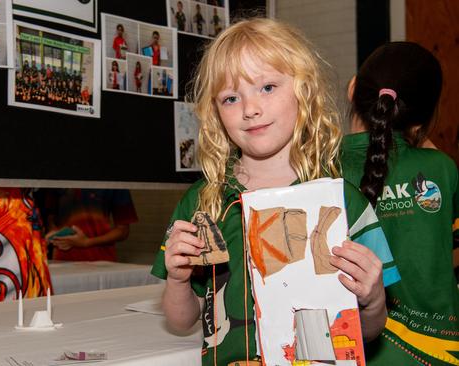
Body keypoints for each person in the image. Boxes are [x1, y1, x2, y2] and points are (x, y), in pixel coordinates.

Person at [151, 18, 400, 365]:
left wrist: (373, 299)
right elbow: (182, 320)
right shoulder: (202, 202)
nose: (250, 109)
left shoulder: (341, 201)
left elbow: (369, 330)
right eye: (231, 97)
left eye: (267, 87)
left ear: (303, 90)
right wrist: (177, 279)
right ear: (215, 112)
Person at [341, 42, 459, 365]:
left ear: (353, 89)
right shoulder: (442, 170)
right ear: (420, 122)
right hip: (441, 353)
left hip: (353, 352)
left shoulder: (320, 169)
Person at [44, 189, 138, 262]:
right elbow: (50, 216)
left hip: (101, 262)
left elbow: (123, 230)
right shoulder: (57, 177)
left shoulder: (115, 181)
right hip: (62, 260)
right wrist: (55, 234)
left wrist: (87, 242)